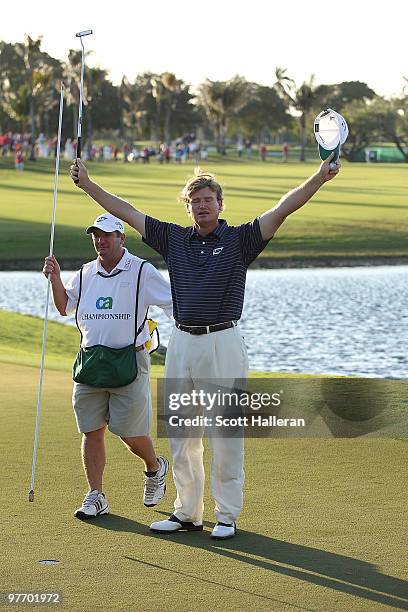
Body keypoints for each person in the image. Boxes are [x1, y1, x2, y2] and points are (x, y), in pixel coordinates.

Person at [69, 154, 340, 538]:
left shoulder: (241, 240)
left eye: (208, 200)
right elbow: (127, 212)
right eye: (195, 201)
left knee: (225, 432)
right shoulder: (174, 238)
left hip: (223, 341)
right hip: (182, 342)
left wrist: (318, 177)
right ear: (188, 205)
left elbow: (282, 209)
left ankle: (226, 515)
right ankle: (187, 512)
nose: (202, 206)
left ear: (220, 204)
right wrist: (89, 185)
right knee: (182, 433)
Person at [43, 213, 173, 520]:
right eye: (95, 235)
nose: (100, 240)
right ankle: (96, 495)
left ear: (121, 238)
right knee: (92, 430)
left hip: (130, 360)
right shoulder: (87, 272)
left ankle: (155, 468)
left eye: (107, 235)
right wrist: (56, 278)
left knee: (129, 433)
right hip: (91, 361)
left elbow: (173, 304)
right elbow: (65, 307)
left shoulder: (142, 270)